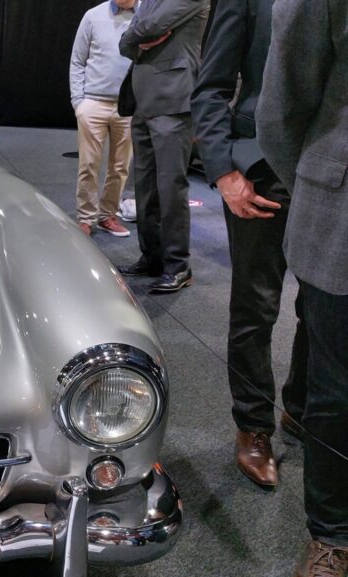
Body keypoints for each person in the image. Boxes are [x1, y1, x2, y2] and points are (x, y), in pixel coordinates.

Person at [191, 0, 308, 489]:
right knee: (256, 306)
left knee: (324, 306)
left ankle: (301, 408)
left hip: (328, 172)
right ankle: (253, 426)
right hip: (261, 169)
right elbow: (211, 87)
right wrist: (223, 170)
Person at [257, 0, 348, 574]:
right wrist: (319, 189)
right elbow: (281, 109)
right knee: (339, 391)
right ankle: (332, 532)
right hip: (342, 218)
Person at [116, 0, 209, 293]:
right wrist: (135, 40)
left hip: (174, 101)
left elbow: (148, 26)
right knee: (145, 187)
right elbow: (126, 41)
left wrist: (136, 37)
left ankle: (178, 266)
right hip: (143, 101)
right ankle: (152, 257)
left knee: (170, 188)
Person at [69, 0, 137, 237]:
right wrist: (79, 102)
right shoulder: (92, 16)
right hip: (93, 103)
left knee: (120, 167)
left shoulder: (146, 17)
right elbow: (77, 60)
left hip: (128, 107)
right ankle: (86, 218)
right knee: (88, 164)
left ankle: (108, 215)